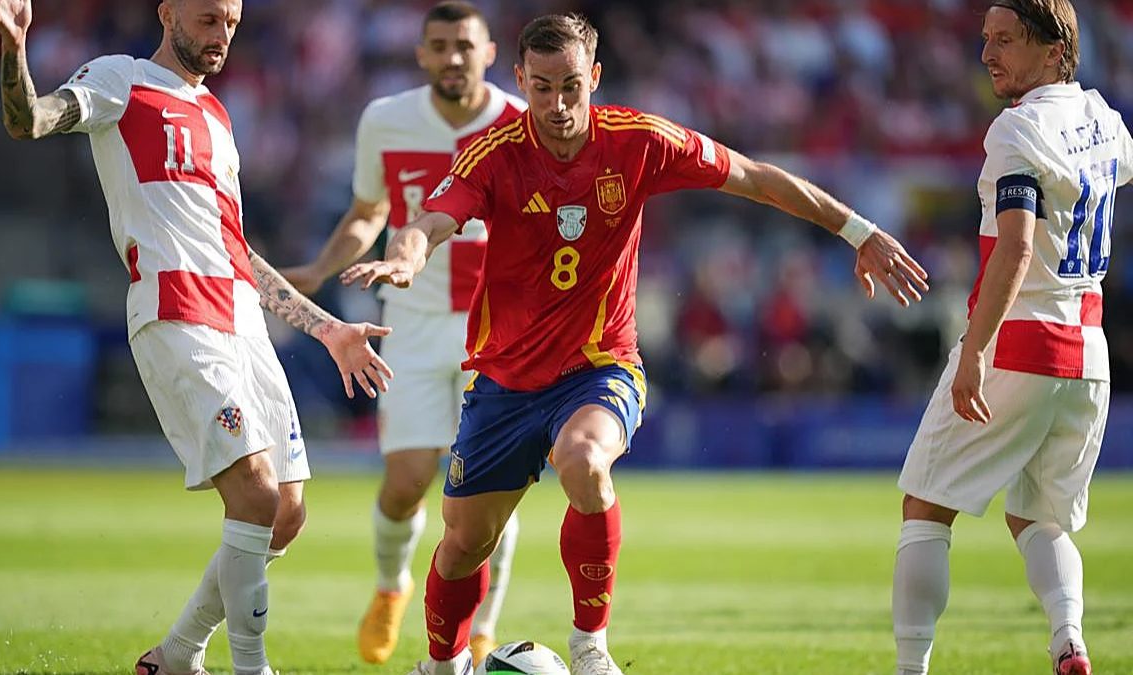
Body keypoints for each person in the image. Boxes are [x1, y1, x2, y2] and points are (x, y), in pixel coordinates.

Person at [342, 13, 928, 675]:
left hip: (599, 366)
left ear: (594, 77)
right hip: (504, 378)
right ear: (520, 80)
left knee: (585, 460)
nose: (557, 105)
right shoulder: (494, 154)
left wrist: (859, 232)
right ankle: (442, 664)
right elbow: (429, 221)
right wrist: (407, 258)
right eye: (541, 88)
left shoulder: (640, 140)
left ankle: (590, 646)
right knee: (463, 542)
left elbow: (755, 176)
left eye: (570, 86)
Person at [0, 1, 393, 674]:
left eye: (231, 22)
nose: (221, 35)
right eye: (207, 19)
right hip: (175, 309)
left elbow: (236, 250)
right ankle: (251, 667)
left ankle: (178, 653)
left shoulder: (219, 117)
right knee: (255, 492)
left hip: (242, 320)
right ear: (167, 11)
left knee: (286, 513)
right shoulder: (121, 78)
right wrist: (14, 47)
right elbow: (28, 119)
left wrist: (328, 329)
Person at [890, 3, 1131, 674]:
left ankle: (909, 668)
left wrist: (974, 351)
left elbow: (1016, 246)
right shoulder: (1107, 121)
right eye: (986, 39)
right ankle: (1068, 639)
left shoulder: (1018, 128)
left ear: (1055, 50)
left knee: (926, 507)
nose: (987, 54)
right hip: (1087, 354)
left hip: (1020, 343)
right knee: (1037, 518)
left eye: (1005, 40)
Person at [280, 2, 524, 666]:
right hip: (409, 323)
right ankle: (392, 586)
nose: (452, 57)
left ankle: (482, 630)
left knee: (488, 488)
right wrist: (319, 270)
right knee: (406, 482)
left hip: (495, 328)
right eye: (439, 46)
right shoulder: (385, 119)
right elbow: (369, 212)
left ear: (489, 53)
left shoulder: (518, 123)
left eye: (464, 45)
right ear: (420, 54)